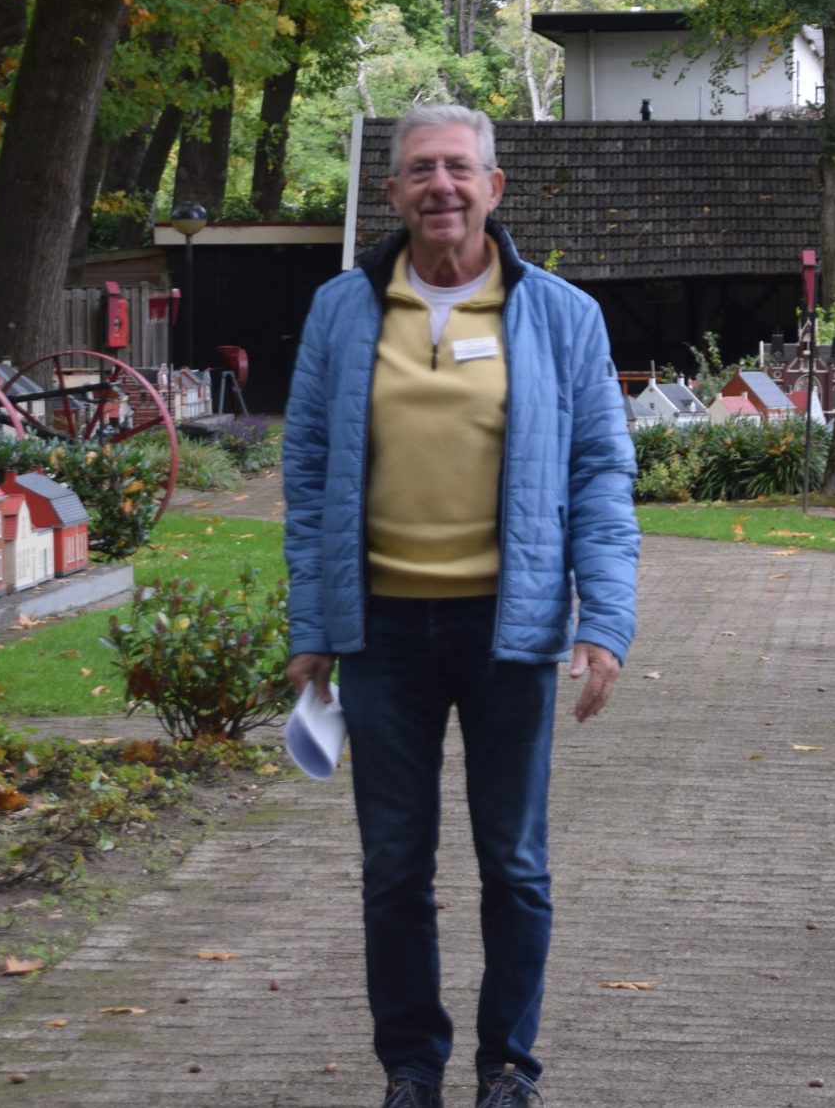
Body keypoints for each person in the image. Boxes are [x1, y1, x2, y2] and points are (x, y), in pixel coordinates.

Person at [283, 104, 641, 1108]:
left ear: (493, 186)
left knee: (514, 864)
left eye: (457, 167)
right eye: (419, 170)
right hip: (381, 632)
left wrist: (604, 623)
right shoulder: (341, 311)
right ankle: (410, 1069)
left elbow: (602, 474)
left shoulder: (562, 315)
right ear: (393, 193)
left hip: (508, 631)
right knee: (394, 866)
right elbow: (306, 473)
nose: (439, 185)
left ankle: (508, 1066)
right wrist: (312, 627)